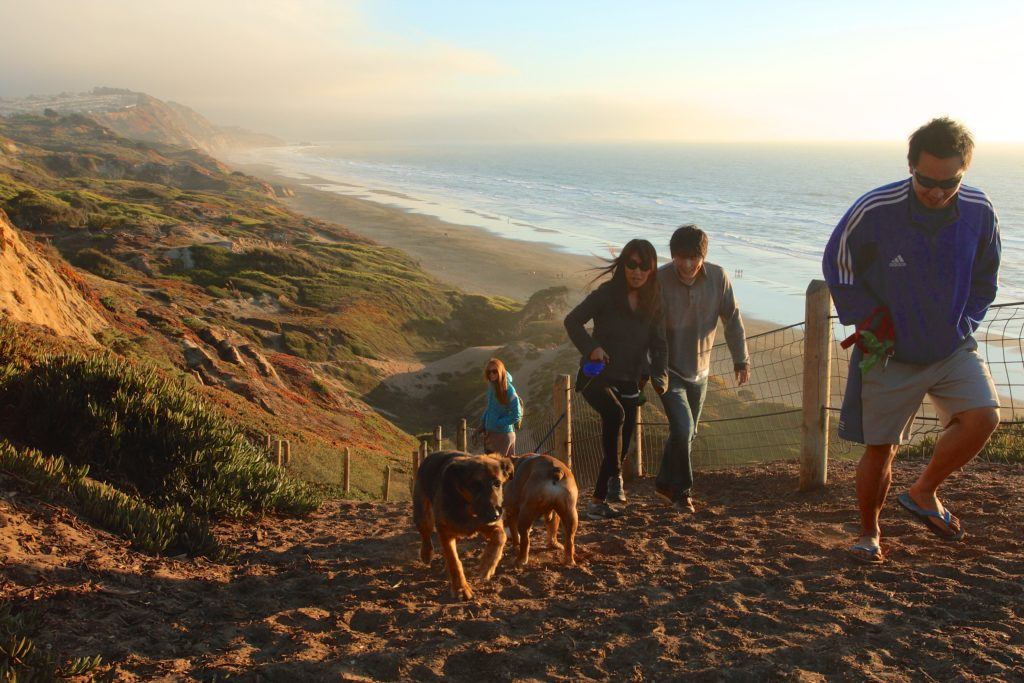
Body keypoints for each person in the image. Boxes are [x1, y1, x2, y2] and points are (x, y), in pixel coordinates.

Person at [823, 117, 1001, 565]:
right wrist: (868, 321)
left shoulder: (979, 210)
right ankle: (869, 534)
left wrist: (967, 320)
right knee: (881, 449)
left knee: (984, 417)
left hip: (952, 346)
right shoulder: (875, 209)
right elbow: (837, 263)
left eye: (949, 183)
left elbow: (986, 277)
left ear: (964, 172)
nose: (937, 192)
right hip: (889, 353)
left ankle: (923, 491)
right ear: (910, 167)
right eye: (927, 181)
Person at [564, 239, 668, 520]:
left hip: (631, 378)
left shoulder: (654, 301)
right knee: (615, 413)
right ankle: (616, 478)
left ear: (652, 270)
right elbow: (572, 321)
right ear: (622, 265)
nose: (637, 271)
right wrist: (592, 348)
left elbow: (659, 343)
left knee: (621, 442)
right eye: (631, 264)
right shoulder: (606, 294)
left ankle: (597, 503)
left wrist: (660, 374)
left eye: (644, 266)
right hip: (595, 375)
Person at [656, 225, 749, 513]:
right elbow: (645, 325)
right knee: (683, 429)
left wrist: (741, 359)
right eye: (680, 257)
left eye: (693, 258)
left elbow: (732, 319)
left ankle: (663, 483)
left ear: (703, 256)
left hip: (701, 371)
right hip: (668, 370)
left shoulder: (719, 278)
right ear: (673, 255)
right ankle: (682, 493)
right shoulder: (659, 280)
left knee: (689, 433)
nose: (686, 264)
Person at [477, 358, 522, 457]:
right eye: (489, 372)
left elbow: (517, 415)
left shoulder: (509, 390)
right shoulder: (492, 386)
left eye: (494, 371)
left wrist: (498, 423)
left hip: (502, 436)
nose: (491, 374)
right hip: (492, 434)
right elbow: (490, 407)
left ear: (500, 371)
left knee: (498, 466)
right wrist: (483, 422)